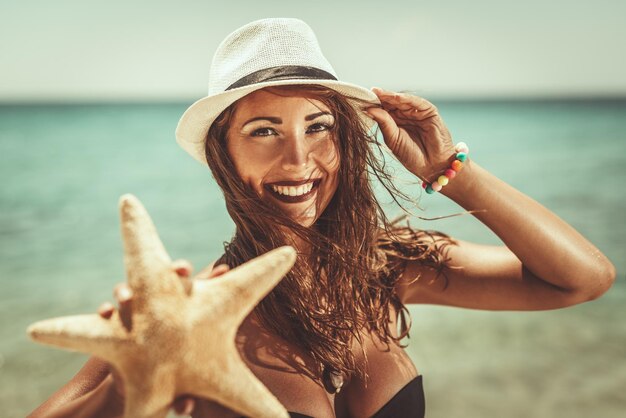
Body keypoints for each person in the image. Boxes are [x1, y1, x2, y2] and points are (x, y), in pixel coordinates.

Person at [29, 18, 616, 418]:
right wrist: (130, 376)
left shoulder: (388, 268)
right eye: (264, 132)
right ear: (223, 155)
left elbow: (583, 279)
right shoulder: (187, 317)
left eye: (319, 127)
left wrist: (447, 169)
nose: (299, 160)